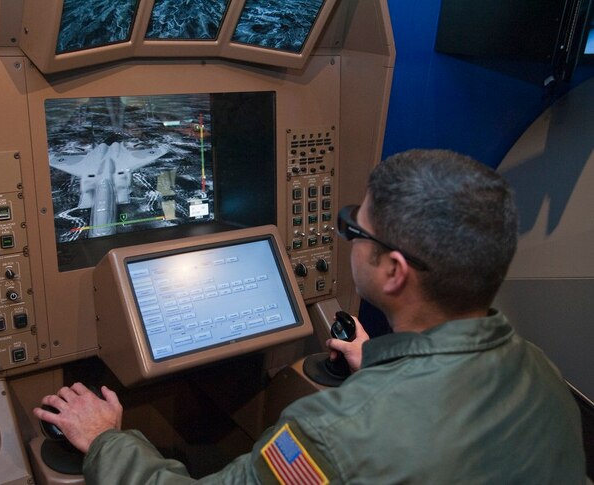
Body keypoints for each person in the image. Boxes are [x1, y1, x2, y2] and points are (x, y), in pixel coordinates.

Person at [35, 149, 586, 484]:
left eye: (355, 228)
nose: (343, 235)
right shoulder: (541, 372)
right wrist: (384, 367)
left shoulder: (330, 436)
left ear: (393, 272)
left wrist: (107, 439)